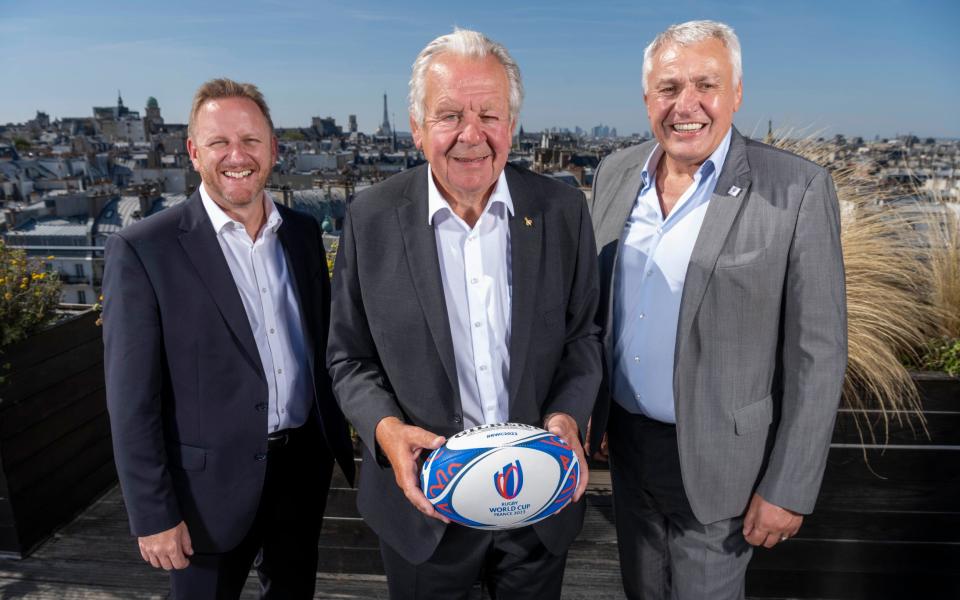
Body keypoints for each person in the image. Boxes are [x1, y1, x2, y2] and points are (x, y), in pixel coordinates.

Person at [327, 28, 602, 600]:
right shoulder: (371, 219)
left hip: (537, 505)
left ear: (512, 125)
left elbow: (582, 338)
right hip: (424, 512)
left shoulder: (562, 210)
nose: (471, 136)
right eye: (449, 115)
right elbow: (349, 358)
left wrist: (569, 415)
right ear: (417, 128)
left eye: (489, 115)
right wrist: (386, 430)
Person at [587, 20, 847, 600]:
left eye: (706, 84)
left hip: (726, 462)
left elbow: (819, 353)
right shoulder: (615, 173)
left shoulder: (797, 188)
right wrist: (593, 411)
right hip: (627, 449)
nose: (687, 105)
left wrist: (789, 486)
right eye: (669, 87)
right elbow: (597, 310)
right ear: (646, 97)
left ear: (737, 93)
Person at [102, 78, 355, 599]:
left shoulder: (303, 234)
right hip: (205, 489)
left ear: (273, 150)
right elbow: (132, 401)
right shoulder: (143, 250)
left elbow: (321, 345)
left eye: (251, 141)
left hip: (300, 467)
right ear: (194, 152)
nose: (236, 156)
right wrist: (152, 514)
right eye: (219, 142)